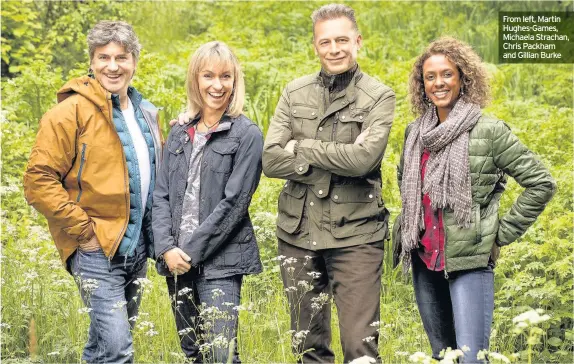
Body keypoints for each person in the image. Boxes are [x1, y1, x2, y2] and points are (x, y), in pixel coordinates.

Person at [396, 36, 556, 363]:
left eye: (447, 74)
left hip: (470, 261)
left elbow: (541, 183)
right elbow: (406, 183)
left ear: (463, 78)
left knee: (471, 358)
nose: (438, 83)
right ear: (421, 84)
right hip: (425, 258)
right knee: (442, 356)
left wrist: (499, 234)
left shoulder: (489, 131)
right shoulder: (415, 133)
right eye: (430, 77)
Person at [262, 4, 395, 362]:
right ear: (315, 46)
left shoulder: (379, 96)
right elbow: (272, 159)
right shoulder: (295, 92)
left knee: (360, 347)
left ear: (357, 41)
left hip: (356, 235)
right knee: (308, 346)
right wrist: (334, 159)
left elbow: (363, 160)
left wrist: (302, 147)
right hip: (297, 233)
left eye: (341, 40)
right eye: (325, 42)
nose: (334, 49)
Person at [23, 21, 162, 363]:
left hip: (137, 247)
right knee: (118, 349)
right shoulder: (69, 112)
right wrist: (83, 231)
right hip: (96, 248)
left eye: (122, 57)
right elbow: (37, 179)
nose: (113, 66)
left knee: (102, 346)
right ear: (92, 61)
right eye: (104, 57)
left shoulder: (147, 112)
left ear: (135, 61)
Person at [152, 41, 263, 363]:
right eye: (208, 76)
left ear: (235, 80)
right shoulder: (179, 132)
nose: (217, 85)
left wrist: (189, 252)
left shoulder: (246, 134)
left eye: (225, 76)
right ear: (195, 80)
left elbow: (235, 203)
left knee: (220, 352)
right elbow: (161, 195)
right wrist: (166, 249)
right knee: (193, 351)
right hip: (175, 262)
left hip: (221, 262)